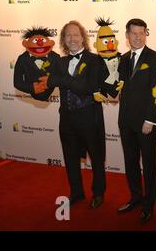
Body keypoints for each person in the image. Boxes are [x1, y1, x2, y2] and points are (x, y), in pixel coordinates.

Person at [42, 20, 107, 208]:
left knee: (96, 158)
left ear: (83, 38)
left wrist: (60, 79)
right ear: (63, 39)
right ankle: (76, 193)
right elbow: (48, 86)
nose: (72, 38)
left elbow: (89, 88)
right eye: (68, 35)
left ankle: (98, 193)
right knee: (70, 159)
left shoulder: (95, 60)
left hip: (90, 118)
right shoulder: (59, 62)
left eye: (75, 35)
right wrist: (34, 88)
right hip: (67, 119)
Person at [117, 18, 156, 224]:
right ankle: (135, 197)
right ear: (127, 36)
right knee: (130, 162)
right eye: (133, 33)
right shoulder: (123, 58)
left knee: (149, 164)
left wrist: (151, 120)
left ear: (146, 34)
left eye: (141, 33)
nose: (138, 37)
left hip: (145, 122)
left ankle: (148, 205)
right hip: (125, 121)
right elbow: (120, 87)